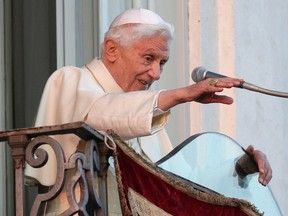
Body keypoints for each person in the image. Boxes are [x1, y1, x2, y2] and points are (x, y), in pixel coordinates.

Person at [25, 8, 272, 215]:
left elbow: (184, 183)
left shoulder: (148, 112)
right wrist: (178, 95)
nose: (156, 74)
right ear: (112, 50)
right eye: (148, 58)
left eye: (162, 63)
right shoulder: (71, 80)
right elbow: (98, 116)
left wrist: (242, 166)